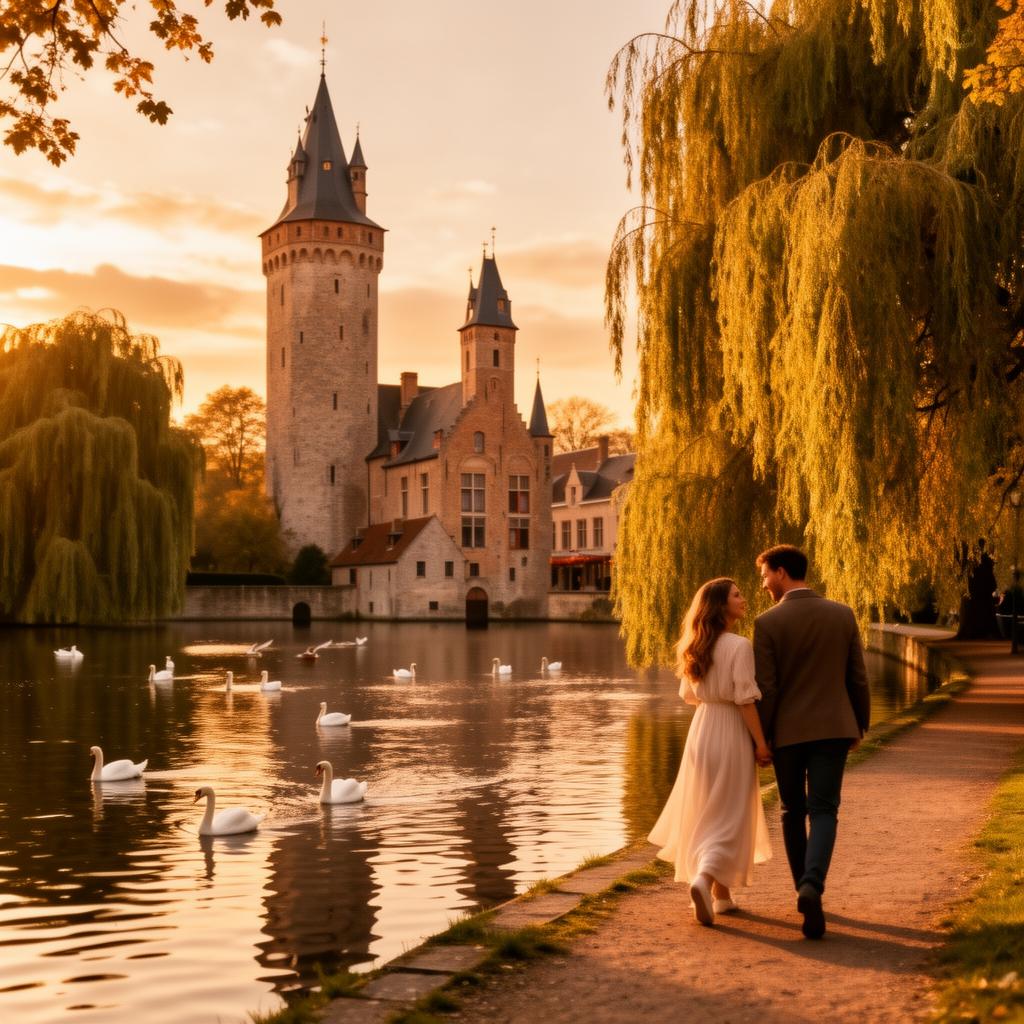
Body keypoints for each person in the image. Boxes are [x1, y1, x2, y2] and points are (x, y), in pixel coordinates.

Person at [753, 545, 870, 939]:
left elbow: (766, 688)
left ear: (782, 573)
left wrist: (762, 738)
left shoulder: (767, 623)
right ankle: (813, 886)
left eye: (766, 575)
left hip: (787, 734)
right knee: (824, 811)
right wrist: (860, 725)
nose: (764, 583)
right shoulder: (842, 614)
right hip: (834, 729)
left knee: (791, 811)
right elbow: (857, 677)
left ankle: (803, 888)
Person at [649, 578, 772, 927]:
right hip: (731, 729)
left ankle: (721, 896)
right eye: (737, 594)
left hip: (702, 730)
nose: (743, 598)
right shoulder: (739, 646)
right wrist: (761, 744)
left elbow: (688, 696)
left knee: (707, 808)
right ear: (720, 606)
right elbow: (746, 699)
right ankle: (703, 880)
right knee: (730, 813)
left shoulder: (694, 645)